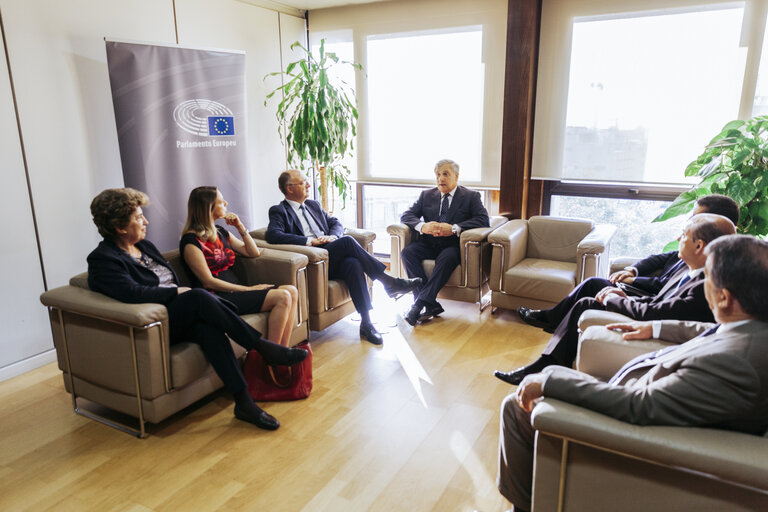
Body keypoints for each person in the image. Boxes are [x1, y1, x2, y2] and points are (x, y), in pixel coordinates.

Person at [497, 234, 768, 512]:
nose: (701, 284)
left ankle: (524, 508)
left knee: (515, 407)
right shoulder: (753, 330)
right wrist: (657, 328)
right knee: (550, 373)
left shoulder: (737, 365)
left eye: (707, 278)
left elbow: (639, 407)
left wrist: (550, 383)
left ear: (724, 298)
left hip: (632, 423)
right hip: (646, 393)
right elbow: (709, 330)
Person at [87, 188, 307, 431]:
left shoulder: (145, 246)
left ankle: (244, 403)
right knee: (199, 296)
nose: (145, 221)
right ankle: (263, 347)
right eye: (138, 217)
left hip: (182, 312)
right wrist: (175, 292)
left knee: (209, 330)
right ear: (119, 226)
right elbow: (130, 292)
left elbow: (249, 253)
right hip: (159, 321)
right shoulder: (103, 259)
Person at [495, 213, 736, 385]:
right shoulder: (692, 269)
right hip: (649, 309)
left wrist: (615, 299)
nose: (679, 239)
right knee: (593, 289)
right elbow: (660, 302)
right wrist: (623, 289)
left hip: (654, 330)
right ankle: (549, 337)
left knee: (589, 303)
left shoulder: (705, 286)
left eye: (683, 235)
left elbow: (657, 313)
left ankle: (545, 364)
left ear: (699, 245)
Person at [518, 194, 740, 332]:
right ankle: (550, 318)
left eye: (694, 218)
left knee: (592, 296)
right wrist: (632, 269)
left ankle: (553, 328)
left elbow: (660, 298)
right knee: (593, 283)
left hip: (650, 301)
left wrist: (631, 282)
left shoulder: (708, 270)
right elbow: (661, 259)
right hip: (652, 299)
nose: (687, 223)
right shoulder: (693, 253)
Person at [266, 170, 422, 345]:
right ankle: (389, 282)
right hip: (314, 262)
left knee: (353, 264)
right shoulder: (279, 211)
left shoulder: (313, 205)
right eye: (303, 183)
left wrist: (332, 237)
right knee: (348, 242)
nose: (309, 185)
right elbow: (273, 235)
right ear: (290, 189)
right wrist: (310, 241)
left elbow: (335, 223)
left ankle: (367, 323)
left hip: (331, 254)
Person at [180, 186, 298, 347]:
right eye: (221, 202)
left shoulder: (220, 231)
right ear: (209, 207)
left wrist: (240, 227)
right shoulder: (190, 242)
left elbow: (252, 252)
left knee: (292, 291)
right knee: (283, 296)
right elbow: (208, 282)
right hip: (218, 299)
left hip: (235, 291)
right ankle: (273, 355)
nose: (226, 203)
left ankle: (281, 353)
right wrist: (250, 289)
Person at [399, 159, 490, 325]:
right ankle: (429, 304)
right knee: (407, 252)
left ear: (456, 176)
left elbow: (483, 220)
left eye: (445, 174)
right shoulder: (426, 195)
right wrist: (422, 226)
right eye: (438, 175)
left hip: (452, 246)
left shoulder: (470, 196)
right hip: (428, 243)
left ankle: (418, 304)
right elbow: (406, 215)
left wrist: (455, 228)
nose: (441, 178)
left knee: (447, 258)